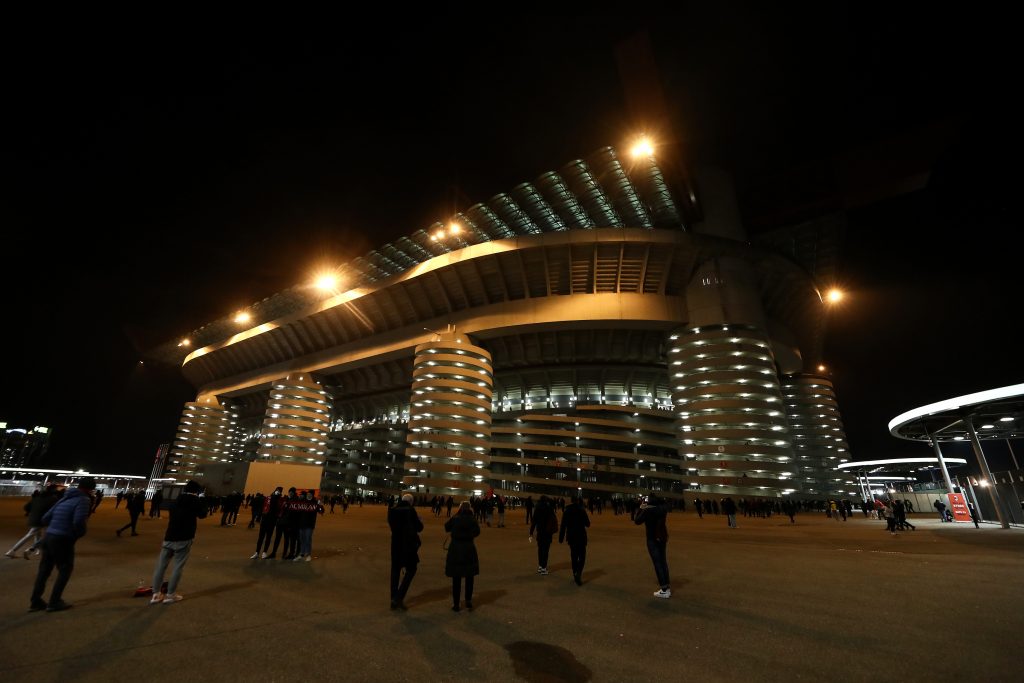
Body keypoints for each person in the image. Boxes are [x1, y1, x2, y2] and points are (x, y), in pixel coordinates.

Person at [29, 476, 96, 612]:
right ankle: (54, 601)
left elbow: (46, 517)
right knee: (65, 569)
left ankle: (36, 601)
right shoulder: (83, 499)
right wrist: (78, 533)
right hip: (63, 538)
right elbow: (78, 521)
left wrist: (55, 526)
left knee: (44, 570)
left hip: (49, 536)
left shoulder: (64, 498)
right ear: (90, 489)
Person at [149, 480, 208, 604]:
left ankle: (156, 594)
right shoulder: (195, 501)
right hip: (185, 537)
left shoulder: (176, 500)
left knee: (161, 566)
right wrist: (203, 501)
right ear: (196, 491)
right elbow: (203, 515)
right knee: (178, 567)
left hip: (169, 536)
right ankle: (170, 594)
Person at [387, 493, 424, 609]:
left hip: (396, 544)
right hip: (408, 545)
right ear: (411, 502)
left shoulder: (392, 510)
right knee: (412, 569)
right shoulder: (410, 510)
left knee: (395, 570)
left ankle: (393, 598)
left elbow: (392, 526)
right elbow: (419, 528)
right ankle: (399, 597)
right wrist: (419, 520)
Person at [7, 484, 60, 559]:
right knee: (33, 535)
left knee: (37, 535)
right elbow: (55, 510)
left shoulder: (36, 498)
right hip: (42, 520)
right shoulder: (53, 499)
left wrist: (34, 512)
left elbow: (26, 507)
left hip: (33, 518)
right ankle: (13, 550)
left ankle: (37, 550)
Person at [444, 501, 480, 612]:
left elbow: (446, 527)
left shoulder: (455, 518)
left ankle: (456, 603)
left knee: (456, 577)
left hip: (456, 548)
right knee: (469, 576)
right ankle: (468, 600)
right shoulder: (472, 519)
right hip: (468, 548)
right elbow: (477, 532)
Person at [634, 494, 671, 598]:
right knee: (663, 561)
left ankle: (664, 589)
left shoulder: (648, 510)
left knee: (657, 563)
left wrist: (641, 508)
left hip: (652, 538)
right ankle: (667, 586)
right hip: (662, 537)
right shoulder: (662, 509)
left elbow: (637, 521)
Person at [558, 495, 591, 585]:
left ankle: (575, 573)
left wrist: (561, 537)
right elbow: (588, 524)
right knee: (582, 556)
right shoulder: (581, 510)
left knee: (574, 556)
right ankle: (578, 573)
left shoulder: (567, 511)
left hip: (571, 537)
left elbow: (563, 525)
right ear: (577, 501)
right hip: (581, 536)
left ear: (571, 501)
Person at [529, 495, 558, 575]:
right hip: (547, 532)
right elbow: (554, 518)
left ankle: (540, 566)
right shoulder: (549, 508)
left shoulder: (537, 508)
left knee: (540, 549)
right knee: (546, 550)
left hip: (540, 532)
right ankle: (544, 568)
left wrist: (531, 532)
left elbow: (534, 521)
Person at [253, 486, 284, 559]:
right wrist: (259, 517)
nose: (277, 492)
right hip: (264, 520)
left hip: (272, 521)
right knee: (261, 537)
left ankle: (264, 552)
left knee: (268, 537)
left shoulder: (280, 500)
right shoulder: (268, 498)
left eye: (279, 491)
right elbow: (263, 507)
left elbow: (279, 510)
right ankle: (257, 552)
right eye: (277, 490)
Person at [295, 490, 324, 561]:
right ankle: (302, 553)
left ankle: (308, 554)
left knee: (308, 539)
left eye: (310, 494)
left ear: (312, 495)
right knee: (302, 539)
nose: (309, 495)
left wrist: (320, 505)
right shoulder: (303, 501)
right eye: (308, 494)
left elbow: (321, 511)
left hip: (309, 525)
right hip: (301, 524)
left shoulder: (315, 502)